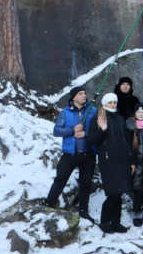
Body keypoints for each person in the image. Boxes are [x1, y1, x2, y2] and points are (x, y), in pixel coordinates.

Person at [44, 86, 96, 222]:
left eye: (85, 93)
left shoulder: (92, 111)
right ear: (74, 97)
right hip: (70, 153)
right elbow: (56, 131)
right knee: (60, 178)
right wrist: (72, 130)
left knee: (86, 183)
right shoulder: (65, 113)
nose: (84, 95)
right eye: (80, 94)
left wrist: (86, 133)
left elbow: (99, 129)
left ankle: (83, 211)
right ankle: (49, 203)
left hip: (88, 152)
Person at [87, 93, 133, 233]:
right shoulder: (98, 118)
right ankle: (105, 222)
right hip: (108, 160)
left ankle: (116, 222)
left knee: (119, 193)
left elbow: (126, 140)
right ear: (104, 104)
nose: (113, 105)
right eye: (110, 102)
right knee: (113, 192)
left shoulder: (119, 118)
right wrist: (102, 129)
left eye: (114, 102)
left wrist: (131, 160)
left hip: (122, 159)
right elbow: (91, 140)